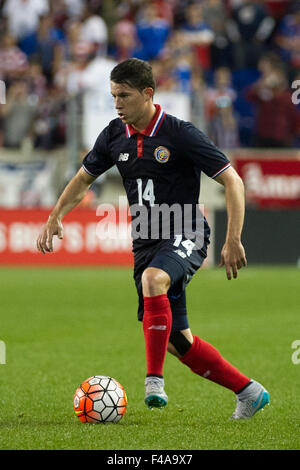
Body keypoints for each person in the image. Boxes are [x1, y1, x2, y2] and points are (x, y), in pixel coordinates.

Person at [36, 58, 270, 419]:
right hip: (145, 241)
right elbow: (84, 178)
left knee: (153, 280)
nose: (117, 104)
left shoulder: (180, 133)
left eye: (124, 96)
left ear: (148, 94)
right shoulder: (114, 135)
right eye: (113, 96)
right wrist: (55, 216)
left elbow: (233, 181)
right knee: (178, 341)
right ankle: (248, 391)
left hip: (186, 229)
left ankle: (153, 382)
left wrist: (233, 238)